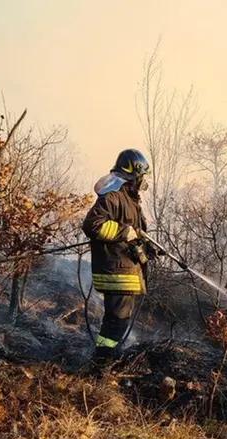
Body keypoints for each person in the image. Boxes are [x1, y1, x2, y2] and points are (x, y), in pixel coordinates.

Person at [82, 148, 156, 371]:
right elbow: (92, 225)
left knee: (117, 321)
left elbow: (134, 230)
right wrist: (125, 232)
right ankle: (101, 365)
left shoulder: (129, 199)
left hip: (125, 268)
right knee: (117, 321)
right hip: (117, 271)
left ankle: (106, 358)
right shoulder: (114, 196)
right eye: (143, 178)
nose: (145, 183)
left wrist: (146, 245)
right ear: (134, 175)